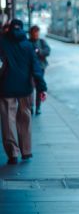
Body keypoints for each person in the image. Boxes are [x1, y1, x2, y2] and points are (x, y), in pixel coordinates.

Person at [0, 19, 46, 164]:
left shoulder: (2, 42)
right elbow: (36, 68)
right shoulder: (28, 46)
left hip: (6, 87)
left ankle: (13, 153)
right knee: (25, 118)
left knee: (8, 120)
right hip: (26, 88)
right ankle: (26, 151)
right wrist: (41, 87)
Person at [28, 26, 50, 116]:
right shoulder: (28, 43)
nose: (36, 34)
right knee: (30, 88)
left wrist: (39, 51)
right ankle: (31, 106)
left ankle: (38, 107)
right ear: (31, 33)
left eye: (37, 33)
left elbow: (47, 51)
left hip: (40, 68)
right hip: (30, 69)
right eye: (34, 33)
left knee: (39, 88)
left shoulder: (42, 42)